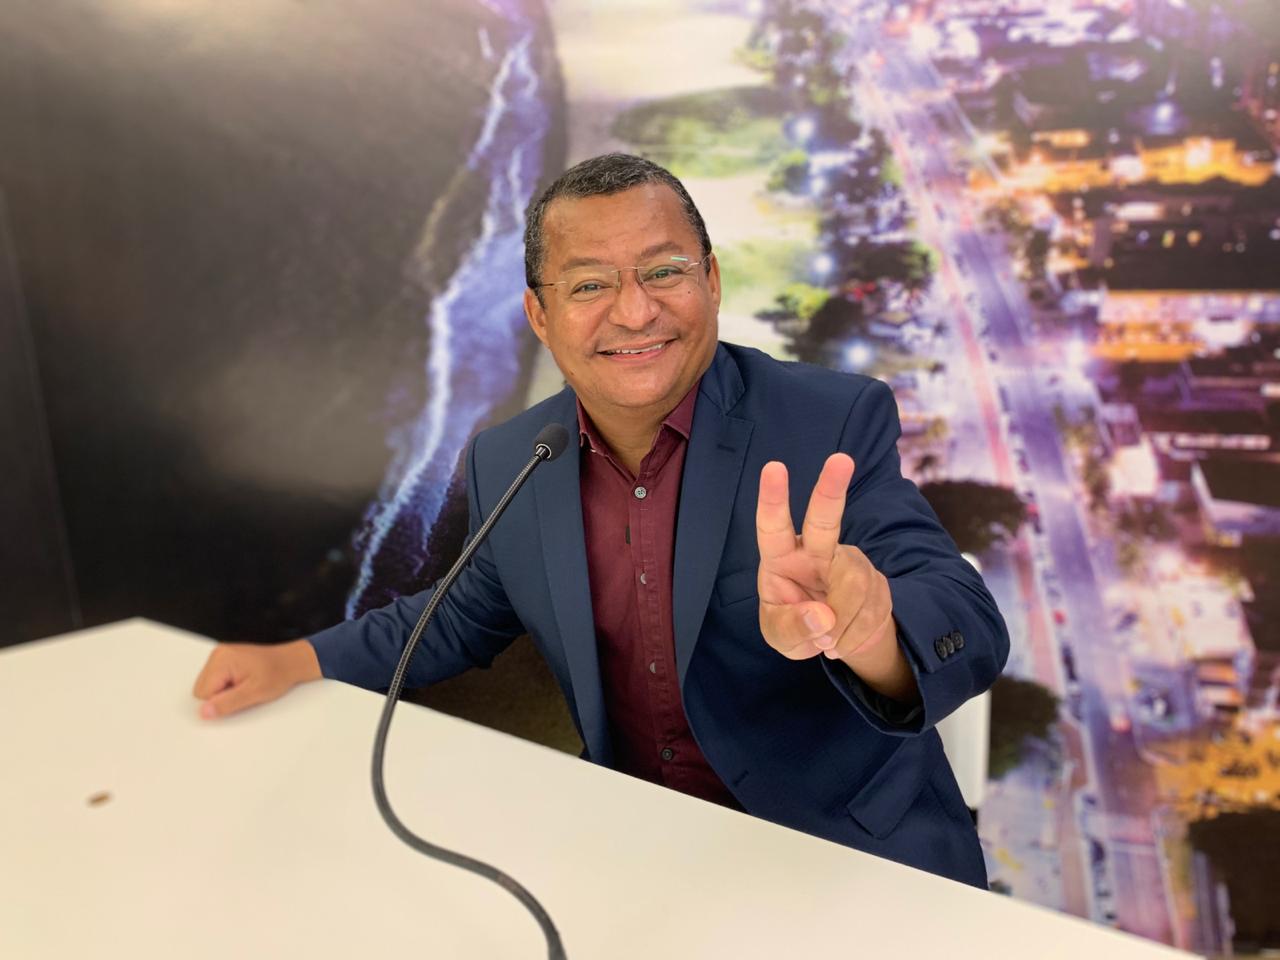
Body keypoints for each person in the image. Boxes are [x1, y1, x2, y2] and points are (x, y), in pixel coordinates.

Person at [193, 153, 1009, 888]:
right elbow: (456, 616)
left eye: (664, 271)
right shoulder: (512, 458)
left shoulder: (827, 419)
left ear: (712, 279)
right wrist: (298, 659)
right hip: (636, 852)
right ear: (539, 315)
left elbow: (966, 622)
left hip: (847, 858)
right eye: (588, 285)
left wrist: (869, 632)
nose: (634, 311)